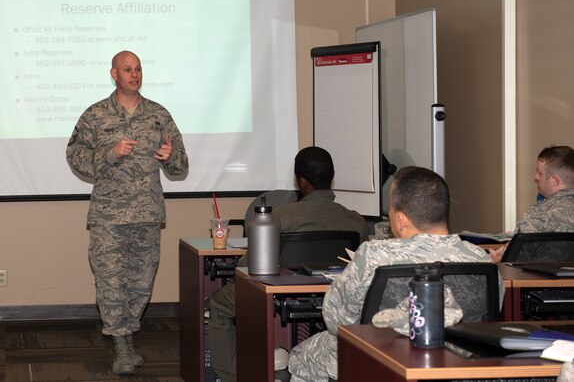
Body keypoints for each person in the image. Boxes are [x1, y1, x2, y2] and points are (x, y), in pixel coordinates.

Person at [288, 166, 505, 382]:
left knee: (298, 358)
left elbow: (336, 321)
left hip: (379, 359)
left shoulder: (373, 255)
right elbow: (492, 313)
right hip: (456, 362)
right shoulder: (480, 257)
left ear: (401, 219)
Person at [66, 50, 189, 375]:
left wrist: (170, 156)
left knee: (140, 282)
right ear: (114, 74)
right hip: (108, 216)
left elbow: (181, 165)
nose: (134, 74)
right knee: (110, 282)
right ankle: (121, 345)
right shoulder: (96, 115)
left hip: (147, 214)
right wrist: (108, 153)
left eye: (138, 69)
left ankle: (128, 335)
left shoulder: (158, 114)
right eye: (127, 69)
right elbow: (74, 154)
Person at [208, 146, 368, 382]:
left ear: (301, 181)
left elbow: (248, 265)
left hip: (276, 294)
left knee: (219, 303)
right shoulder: (356, 221)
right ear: (331, 177)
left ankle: (229, 376)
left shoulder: (281, 216)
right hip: (332, 296)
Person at [489, 145, 574, 263]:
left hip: (538, 280)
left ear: (555, 181)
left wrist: (499, 258)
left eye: (539, 173)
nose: (536, 177)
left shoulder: (538, 215)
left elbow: (513, 260)